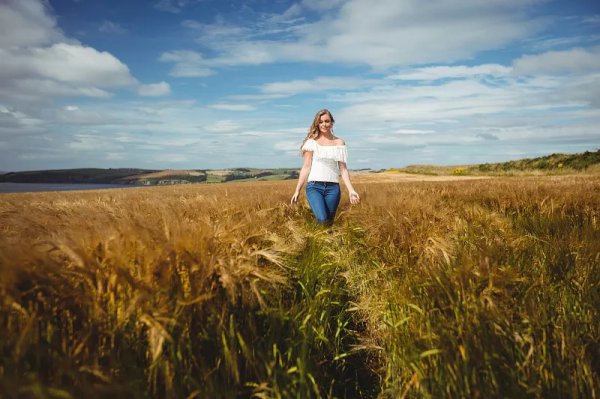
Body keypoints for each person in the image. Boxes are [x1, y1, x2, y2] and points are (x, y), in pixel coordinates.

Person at [290, 109, 360, 225]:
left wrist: (351, 190)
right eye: (321, 122)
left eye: (327, 121)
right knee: (322, 219)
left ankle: (322, 242)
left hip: (333, 189)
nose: (324, 124)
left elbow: (343, 169)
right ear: (317, 124)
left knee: (328, 223)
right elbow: (306, 167)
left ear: (332, 123)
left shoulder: (339, 143)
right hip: (314, 187)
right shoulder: (311, 143)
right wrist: (297, 190)